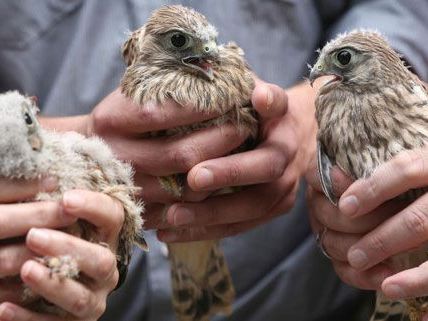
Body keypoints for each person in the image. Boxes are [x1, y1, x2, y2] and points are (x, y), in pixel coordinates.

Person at [0, 1, 427, 321]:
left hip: (308, 289)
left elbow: (406, 10)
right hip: (58, 285)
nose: (209, 52)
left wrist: (313, 116)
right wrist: (62, 153)